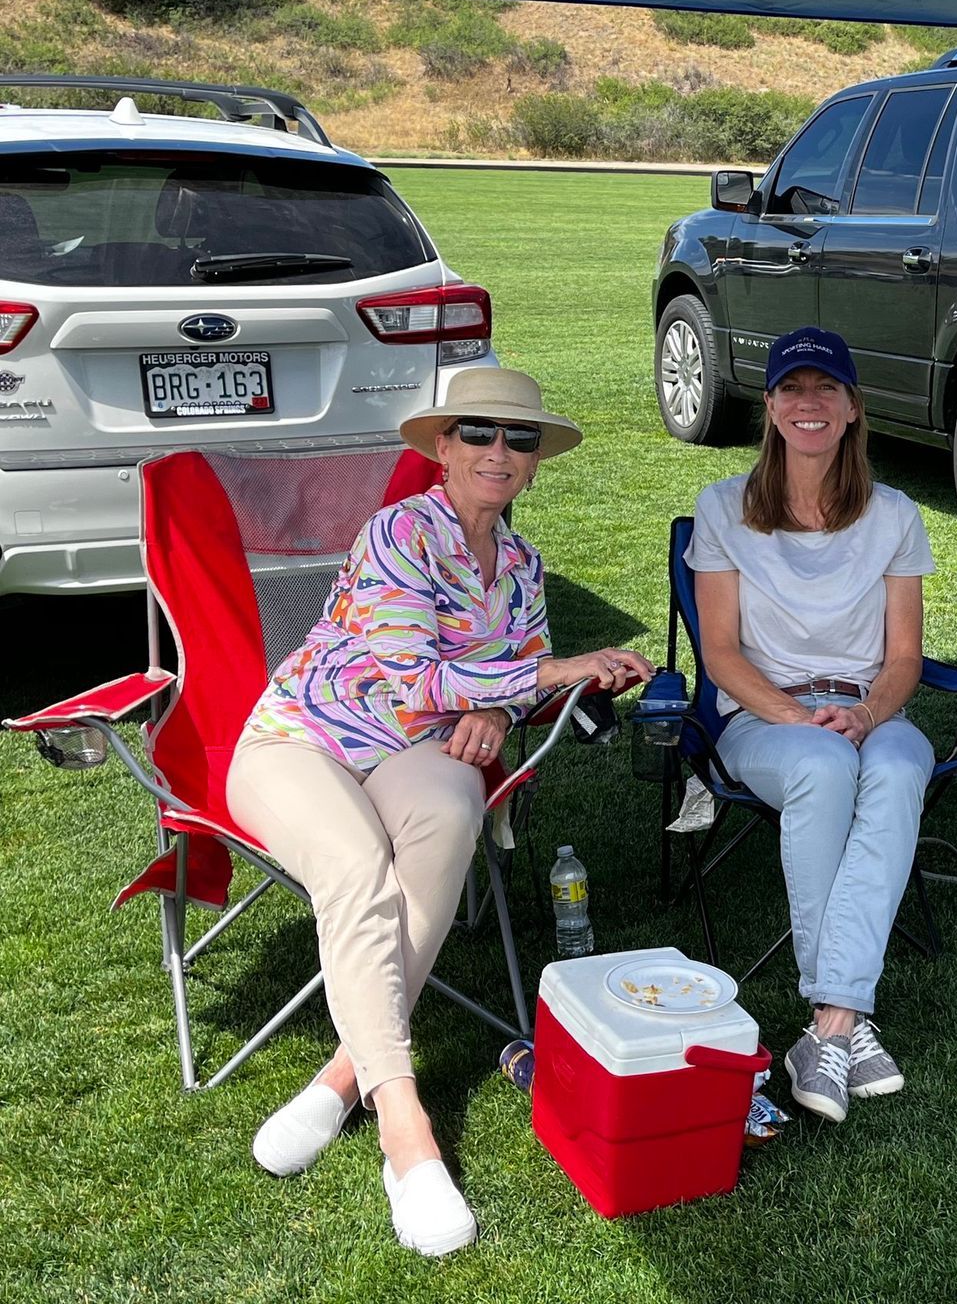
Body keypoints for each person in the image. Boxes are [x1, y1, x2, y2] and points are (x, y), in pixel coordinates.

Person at [226, 368, 651, 1257]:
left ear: (535, 464)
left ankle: (343, 1079)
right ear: (443, 449)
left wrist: (500, 709)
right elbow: (420, 677)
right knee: (356, 871)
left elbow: (511, 680)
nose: (500, 452)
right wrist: (551, 673)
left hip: (410, 752)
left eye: (520, 439)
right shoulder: (398, 534)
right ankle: (405, 1130)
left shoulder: (525, 567)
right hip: (303, 739)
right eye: (479, 434)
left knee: (454, 813)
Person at [686, 325, 935, 1125]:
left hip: (870, 706)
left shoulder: (894, 516)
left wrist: (862, 715)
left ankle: (830, 1024)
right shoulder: (724, 508)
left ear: (854, 408)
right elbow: (720, 654)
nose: (809, 404)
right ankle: (845, 1020)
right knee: (824, 768)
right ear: (769, 406)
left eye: (826, 389)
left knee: (897, 766)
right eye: (792, 388)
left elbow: (904, 660)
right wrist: (802, 718)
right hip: (763, 711)